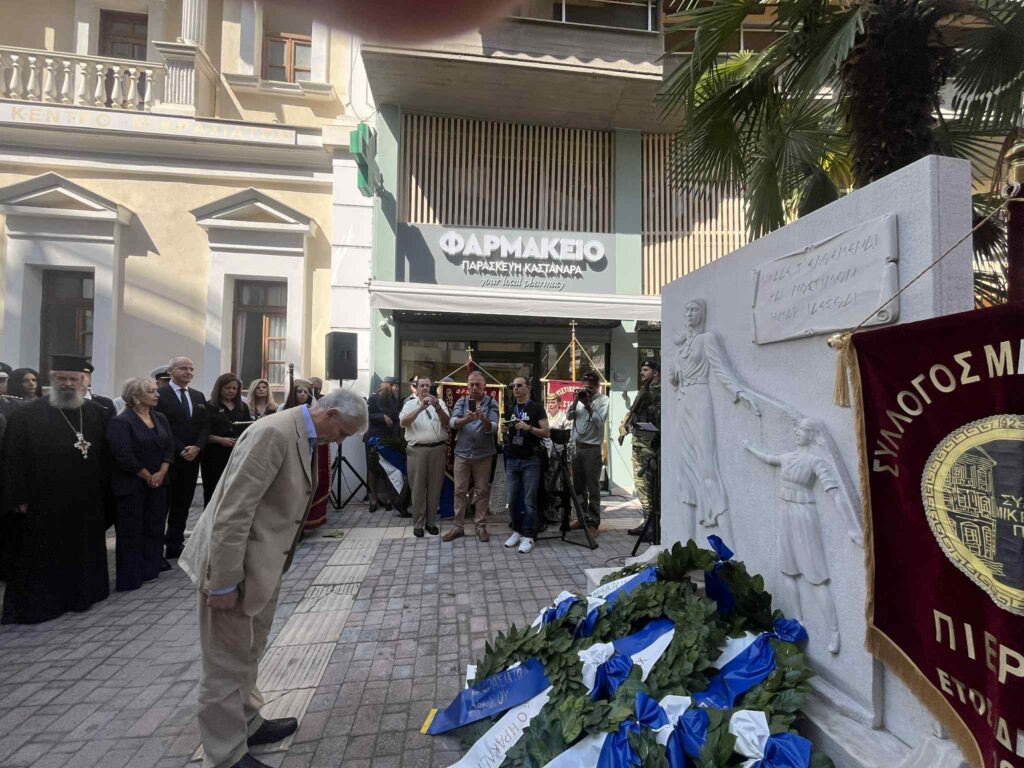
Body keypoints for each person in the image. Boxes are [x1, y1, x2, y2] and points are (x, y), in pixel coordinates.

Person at [178, 389, 368, 768]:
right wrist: (223, 582)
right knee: (224, 665)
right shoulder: (274, 433)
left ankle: (248, 722)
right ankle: (226, 754)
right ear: (330, 414)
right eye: (343, 432)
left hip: (260, 567)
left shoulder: (302, 435)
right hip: (231, 571)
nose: (340, 441)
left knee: (249, 652)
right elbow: (233, 511)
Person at [2, 355, 111, 624]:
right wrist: (18, 496)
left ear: (84, 381)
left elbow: (106, 457)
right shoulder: (27, 414)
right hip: (44, 499)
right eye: (62, 379)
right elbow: (13, 458)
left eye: (74, 379)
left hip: (85, 499)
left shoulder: (96, 412)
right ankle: (45, 605)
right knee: (43, 554)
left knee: (81, 549)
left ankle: (81, 596)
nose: (68, 384)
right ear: (52, 380)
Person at [743, 419, 863, 655]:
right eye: (796, 429)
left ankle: (834, 630)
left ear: (812, 435)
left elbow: (835, 494)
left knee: (816, 576)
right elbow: (769, 458)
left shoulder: (815, 461)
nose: (798, 433)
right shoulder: (788, 457)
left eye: (803, 430)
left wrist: (851, 527)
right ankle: (799, 621)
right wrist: (750, 447)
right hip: (786, 512)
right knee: (788, 570)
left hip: (804, 515)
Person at [107, 377, 175, 591]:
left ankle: (150, 570)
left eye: (156, 390)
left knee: (155, 527)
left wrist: (162, 472)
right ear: (136, 397)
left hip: (159, 482)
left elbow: (169, 446)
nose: (157, 394)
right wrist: (148, 476)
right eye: (151, 391)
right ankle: (131, 577)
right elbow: (123, 455)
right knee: (132, 531)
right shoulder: (121, 421)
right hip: (132, 485)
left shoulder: (160, 417)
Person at [154, 357, 210, 560]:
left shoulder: (197, 396)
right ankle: (156, 549)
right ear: (171, 371)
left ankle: (175, 544)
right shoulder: (160, 395)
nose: (189, 372)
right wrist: (181, 448)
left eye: (191, 369)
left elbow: (205, 426)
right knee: (163, 505)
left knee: (183, 503)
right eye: (184, 368)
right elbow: (162, 426)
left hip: (192, 459)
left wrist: (197, 447)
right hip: (169, 459)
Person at [444, 371, 499, 543]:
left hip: (484, 455)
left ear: (484, 386)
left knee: (482, 491)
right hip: (462, 454)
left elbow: (493, 428)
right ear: (467, 386)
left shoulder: (491, 403)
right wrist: (467, 419)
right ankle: (458, 527)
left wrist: (483, 418)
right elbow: (452, 423)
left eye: (478, 384)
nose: (474, 387)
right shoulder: (461, 402)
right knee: (459, 491)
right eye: (471, 384)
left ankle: (480, 526)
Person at [503, 376, 549, 554]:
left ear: (528, 388)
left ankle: (529, 535)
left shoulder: (536, 408)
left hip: (531, 459)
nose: (515, 388)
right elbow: (509, 435)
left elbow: (546, 432)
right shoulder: (511, 409)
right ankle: (517, 530)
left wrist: (529, 428)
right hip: (513, 459)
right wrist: (505, 430)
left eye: (519, 385)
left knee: (529, 500)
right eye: (513, 386)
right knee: (512, 500)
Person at [399, 376, 450, 538]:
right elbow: (403, 422)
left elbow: (447, 422)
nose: (425, 388)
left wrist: (438, 408)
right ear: (416, 388)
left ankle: (431, 523)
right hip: (417, 451)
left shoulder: (439, 403)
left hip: (437, 450)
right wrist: (421, 408)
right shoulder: (409, 404)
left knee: (435, 488)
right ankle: (418, 524)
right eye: (422, 385)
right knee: (418, 489)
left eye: (428, 385)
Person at [622, 358, 661, 536]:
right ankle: (647, 522)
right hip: (638, 444)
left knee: (651, 487)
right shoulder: (643, 390)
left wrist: (650, 402)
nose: (642, 373)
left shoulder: (661, 392)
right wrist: (626, 423)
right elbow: (634, 412)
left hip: (650, 446)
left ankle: (653, 526)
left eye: (646, 370)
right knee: (641, 487)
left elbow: (661, 416)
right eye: (642, 370)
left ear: (656, 372)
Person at [203, 374, 253, 508]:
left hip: (237, 453)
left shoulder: (243, 407)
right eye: (227, 388)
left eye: (234, 388)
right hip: (214, 455)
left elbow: (248, 429)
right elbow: (202, 432)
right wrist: (219, 439)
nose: (231, 391)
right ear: (220, 388)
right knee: (213, 490)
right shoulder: (209, 406)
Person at [568, 371, 608, 535]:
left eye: (590, 388)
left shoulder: (603, 400)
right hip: (577, 448)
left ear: (597, 386)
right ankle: (581, 518)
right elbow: (569, 417)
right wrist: (576, 401)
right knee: (578, 488)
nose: (587, 391)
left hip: (592, 450)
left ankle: (593, 522)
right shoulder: (579, 398)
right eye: (584, 387)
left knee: (593, 488)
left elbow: (599, 423)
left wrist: (588, 405)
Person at [365, 377, 401, 512]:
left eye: (397, 386)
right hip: (373, 438)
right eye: (394, 385)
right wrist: (382, 416)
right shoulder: (374, 398)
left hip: (388, 439)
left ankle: (389, 498)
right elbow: (367, 415)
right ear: (387, 386)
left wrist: (395, 437)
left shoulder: (394, 400)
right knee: (373, 470)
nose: (397, 388)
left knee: (388, 469)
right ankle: (373, 499)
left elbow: (397, 420)